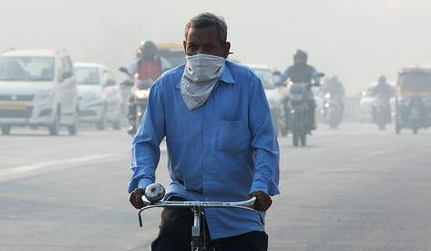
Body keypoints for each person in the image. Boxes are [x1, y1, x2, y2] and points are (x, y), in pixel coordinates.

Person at [128, 13, 279, 251]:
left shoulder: (247, 84)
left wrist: (261, 187)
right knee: (167, 243)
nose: (200, 54)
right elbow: (146, 141)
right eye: (193, 47)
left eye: (209, 47)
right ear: (184, 48)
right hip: (185, 197)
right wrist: (143, 182)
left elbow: (265, 144)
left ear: (225, 48)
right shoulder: (166, 86)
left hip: (237, 204)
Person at [277, 49, 321, 131]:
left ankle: (311, 123)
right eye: (297, 58)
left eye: (301, 58)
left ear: (305, 59)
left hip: (306, 92)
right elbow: (283, 76)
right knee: (285, 101)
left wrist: (317, 81)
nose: (299, 60)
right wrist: (279, 82)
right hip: (293, 91)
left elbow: (315, 75)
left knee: (311, 103)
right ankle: (286, 122)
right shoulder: (290, 69)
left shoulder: (310, 69)